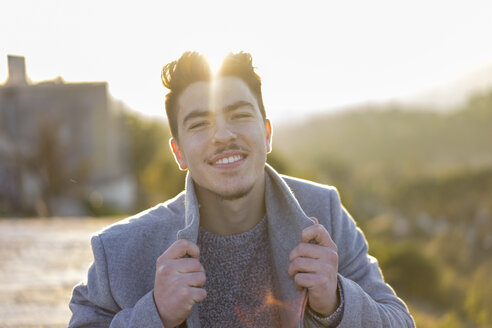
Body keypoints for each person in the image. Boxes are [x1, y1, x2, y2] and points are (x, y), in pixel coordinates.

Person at [69, 51, 415, 327]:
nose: (223, 135)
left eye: (239, 115)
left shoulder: (324, 213)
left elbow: (400, 321)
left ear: (266, 133)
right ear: (179, 153)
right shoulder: (118, 251)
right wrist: (155, 314)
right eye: (200, 123)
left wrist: (338, 301)